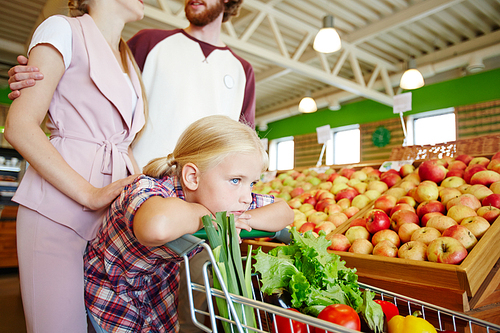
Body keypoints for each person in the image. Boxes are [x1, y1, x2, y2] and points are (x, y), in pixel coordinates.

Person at [8, 1, 255, 330]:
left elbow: (243, 148)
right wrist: (37, 70)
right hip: (119, 205)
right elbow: (37, 111)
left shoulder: (128, 54)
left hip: (143, 213)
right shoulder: (143, 42)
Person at [4, 0, 147, 332]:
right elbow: (20, 125)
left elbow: (123, 145)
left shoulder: (128, 58)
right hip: (57, 211)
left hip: (112, 222)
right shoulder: (61, 28)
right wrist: (90, 193)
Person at [84, 115, 294, 333]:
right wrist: (207, 216)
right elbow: (156, 226)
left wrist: (238, 221)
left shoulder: (228, 199)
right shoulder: (147, 188)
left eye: (251, 183)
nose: (248, 197)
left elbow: (285, 211)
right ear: (193, 177)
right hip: (110, 297)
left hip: (158, 295)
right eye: (235, 180)